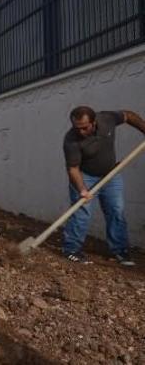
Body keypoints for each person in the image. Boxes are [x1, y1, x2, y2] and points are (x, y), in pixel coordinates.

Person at [62, 106, 145, 266]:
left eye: (84, 128)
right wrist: (82, 189)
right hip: (84, 176)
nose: (80, 132)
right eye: (76, 128)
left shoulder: (107, 119)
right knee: (82, 213)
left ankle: (121, 251)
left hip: (111, 174)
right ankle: (71, 250)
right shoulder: (71, 140)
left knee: (116, 210)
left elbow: (128, 115)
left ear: (94, 122)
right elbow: (73, 169)